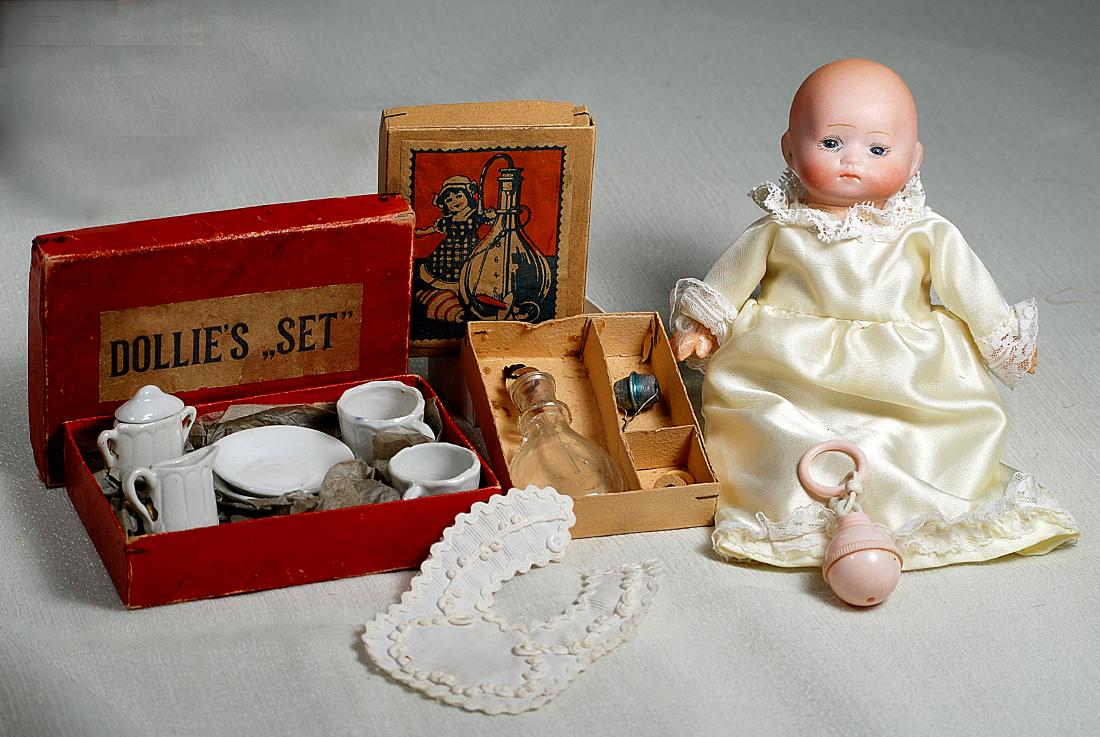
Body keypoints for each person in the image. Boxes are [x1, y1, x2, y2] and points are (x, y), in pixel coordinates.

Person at [670, 59, 1077, 570]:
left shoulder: (926, 233)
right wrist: (705, 327)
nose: (852, 161)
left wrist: (1005, 341)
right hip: (788, 367)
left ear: (914, 160)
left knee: (923, 436)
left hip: (904, 374)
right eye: (832, 143)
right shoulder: (781, 228)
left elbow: (973, 291)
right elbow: (727, 281)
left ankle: (900, 511)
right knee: (772, 430)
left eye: (878, 149)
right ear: (790, 149)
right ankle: (802, 510)